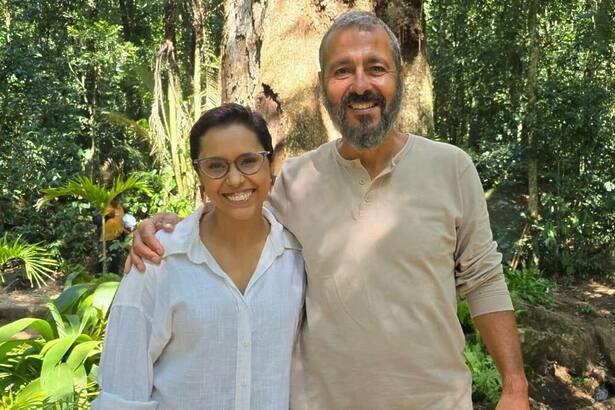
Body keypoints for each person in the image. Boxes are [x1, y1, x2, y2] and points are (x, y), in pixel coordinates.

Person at [128, 11, 529, 410]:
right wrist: (171, 230)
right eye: (342, 71)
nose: (360, 85)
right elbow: (237, 219)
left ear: (400, 77)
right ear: (322, 86)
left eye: (376, 68)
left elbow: (483, 278)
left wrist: (514, 386)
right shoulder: (296, 179)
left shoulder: (451, 167)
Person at [93, 103, 305, 409]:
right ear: (199, 175)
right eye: (216, 166)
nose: (235, 180)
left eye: (248, 161)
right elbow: (121, 392)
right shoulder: (158, 259)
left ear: (269, 165)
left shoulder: (298, 255)